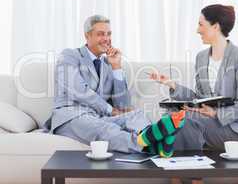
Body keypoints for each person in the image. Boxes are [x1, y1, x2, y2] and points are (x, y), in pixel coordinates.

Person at [43, 15, 186, 157]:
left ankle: (156, 141)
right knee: (104, 128)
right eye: (100, 34)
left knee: (136, 115)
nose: (106, 39)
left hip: (98, 117)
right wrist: (110, 110)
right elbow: (79, 90)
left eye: (109, 34)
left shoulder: (107, 64)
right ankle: (146, 143)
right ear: (87, 36)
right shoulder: (70, 55)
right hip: (72, 117)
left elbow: (123, 105)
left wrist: (116, 67)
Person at [149, 4, 238, 184]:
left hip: (236, 126)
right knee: (174, 116)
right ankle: (178, 178)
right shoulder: (201, 57)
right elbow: (199, 98)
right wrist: (172, 84)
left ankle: (190, 181)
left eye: (201, 24)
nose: (197, 30)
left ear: (215, 26)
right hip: (208, 122)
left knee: (185, 121)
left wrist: (216, 113)